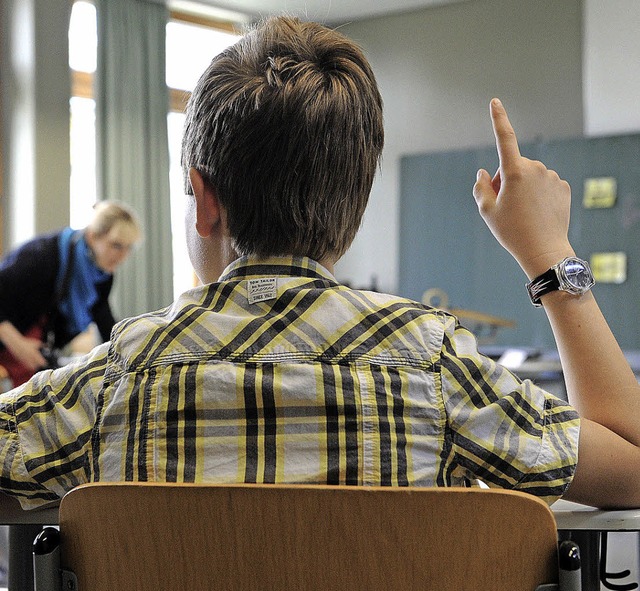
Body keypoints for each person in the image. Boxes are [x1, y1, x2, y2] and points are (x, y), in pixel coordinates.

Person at [0, 16, 638, 512]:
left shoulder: (117, 379)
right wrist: (550, 254)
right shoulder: (436, 368)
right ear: (354, 204)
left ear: (201, 198)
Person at [0, 200, 141, 387]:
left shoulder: (102, 275)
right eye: (116, 245)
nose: (123, 256)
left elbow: (105, 322)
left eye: (128, 248)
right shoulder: (42, 256)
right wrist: (18, 344)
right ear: (92, 236)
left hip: (32, 358)